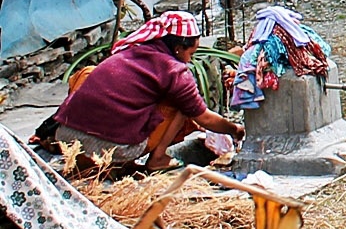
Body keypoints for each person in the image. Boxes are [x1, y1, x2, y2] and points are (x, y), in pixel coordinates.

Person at [52, 12, 245, 173]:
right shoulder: (174, 70)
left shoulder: (132, 52)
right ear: (178, 48)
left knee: (89, 74)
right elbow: (204, 117)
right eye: (190, 53)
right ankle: (157, 159)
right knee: (182, 107)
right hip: (104, 146)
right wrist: (235, 130)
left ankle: (109, 161)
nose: (189, 60)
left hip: (66, 136)